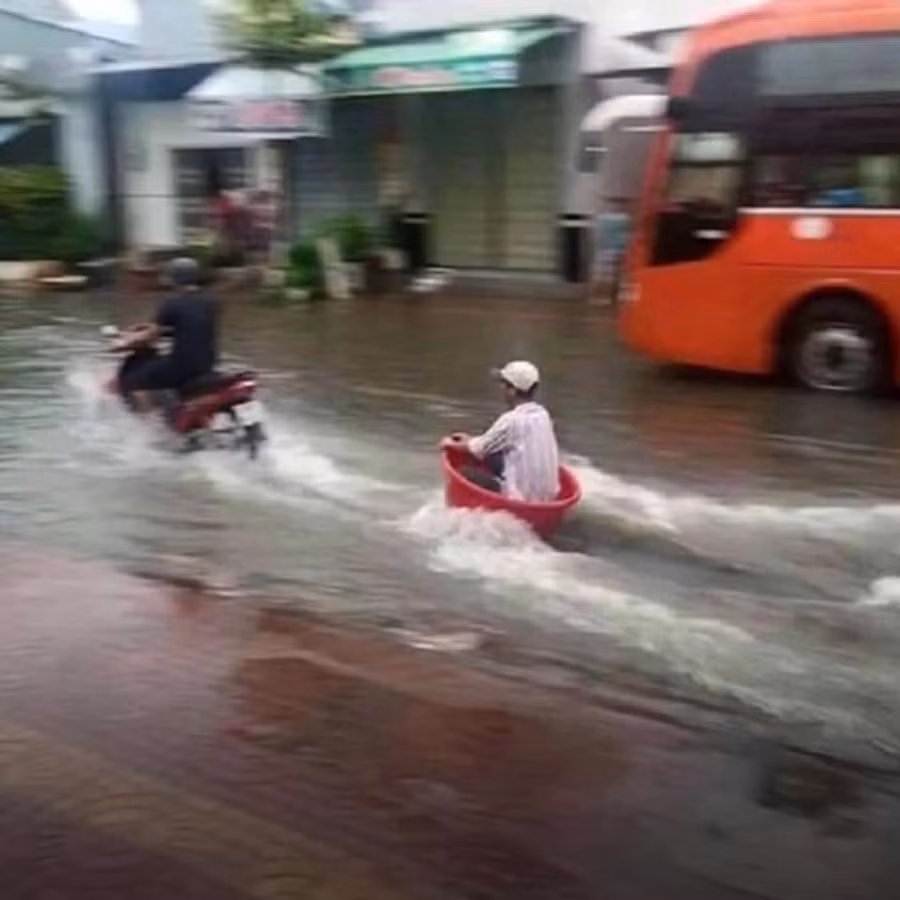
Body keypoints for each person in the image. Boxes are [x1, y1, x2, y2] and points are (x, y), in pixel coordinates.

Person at [440, 361, 560, 503]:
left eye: (503, 384)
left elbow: (479, 448)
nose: (501, 389)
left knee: (464, 472)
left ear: (512, 390)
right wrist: (470, 440)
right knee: (493, 453)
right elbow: (491, 443)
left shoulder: (510, 420)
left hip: (521, 500)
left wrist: (448, 443)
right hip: (550, 497)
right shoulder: (543, 415)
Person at [114, 257, 219, 412]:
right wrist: (165, 331)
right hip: (207, 364)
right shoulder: (211, 301)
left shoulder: (172, 304)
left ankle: (150, 426)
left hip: (182, 365)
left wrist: (125, 343)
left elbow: (150, 337)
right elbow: (193, 325)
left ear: (174, 278)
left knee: (134, 382)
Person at [589, 197, 631, 306]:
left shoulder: (602, 218)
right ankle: (614, 299)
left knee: (603, 275)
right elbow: (627, 235)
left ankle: (601, 298)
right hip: (617, 249)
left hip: (605, 249)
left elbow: (597, 235)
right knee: (616, 276)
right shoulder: (625, 219)